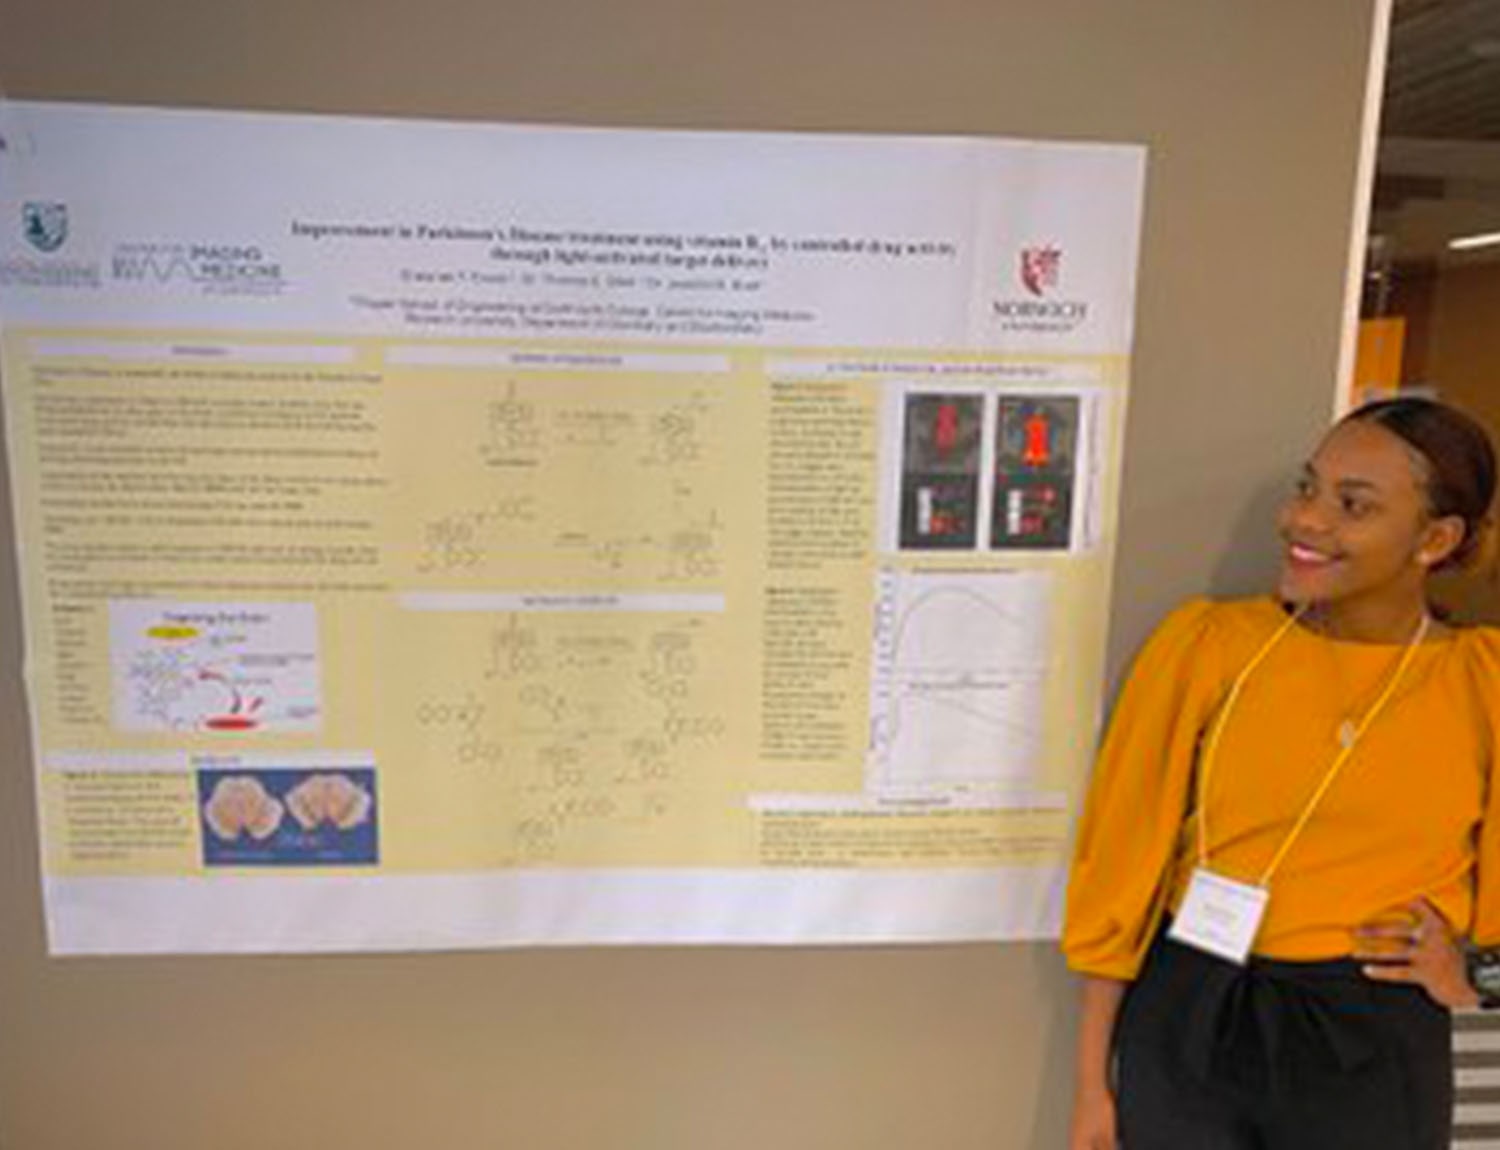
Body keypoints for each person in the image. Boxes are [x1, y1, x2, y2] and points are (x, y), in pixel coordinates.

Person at [1062, 396, 1500, 1150]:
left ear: (1435, 538)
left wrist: (1471, 975)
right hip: (1193, 1015)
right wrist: (1091, 1088)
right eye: (1307, 488)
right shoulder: (1208, 646)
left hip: (1371, 1040)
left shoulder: (1481, 684)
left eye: (1352, 505)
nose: (1303, 520)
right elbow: (1121, 868)